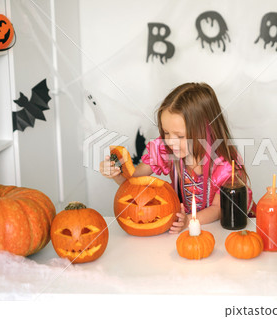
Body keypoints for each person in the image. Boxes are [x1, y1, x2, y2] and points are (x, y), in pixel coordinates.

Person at [100, 82, 253, 233]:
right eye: (166, 132)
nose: (170, 141)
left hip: (222, 230)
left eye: (180, 136)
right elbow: (133, 180)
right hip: (184, 228)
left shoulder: (224, 164)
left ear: (206, 131)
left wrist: (189, 221)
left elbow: (218, 209)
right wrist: (116, 173)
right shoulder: (166, 149)